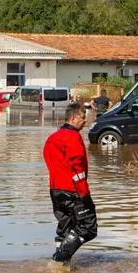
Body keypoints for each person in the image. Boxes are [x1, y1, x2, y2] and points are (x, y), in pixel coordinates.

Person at [43, 103, 98, 264]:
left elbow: (51, 163)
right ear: (73, 118)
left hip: (55, 190)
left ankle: (63, 270)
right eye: (82, 117)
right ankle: (59, 260)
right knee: (88, 228)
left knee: (64, 229)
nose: (85, 121)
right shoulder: (73, 137)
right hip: (73, 191)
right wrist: (84, 194)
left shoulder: (52, 138)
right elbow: (77, 167)